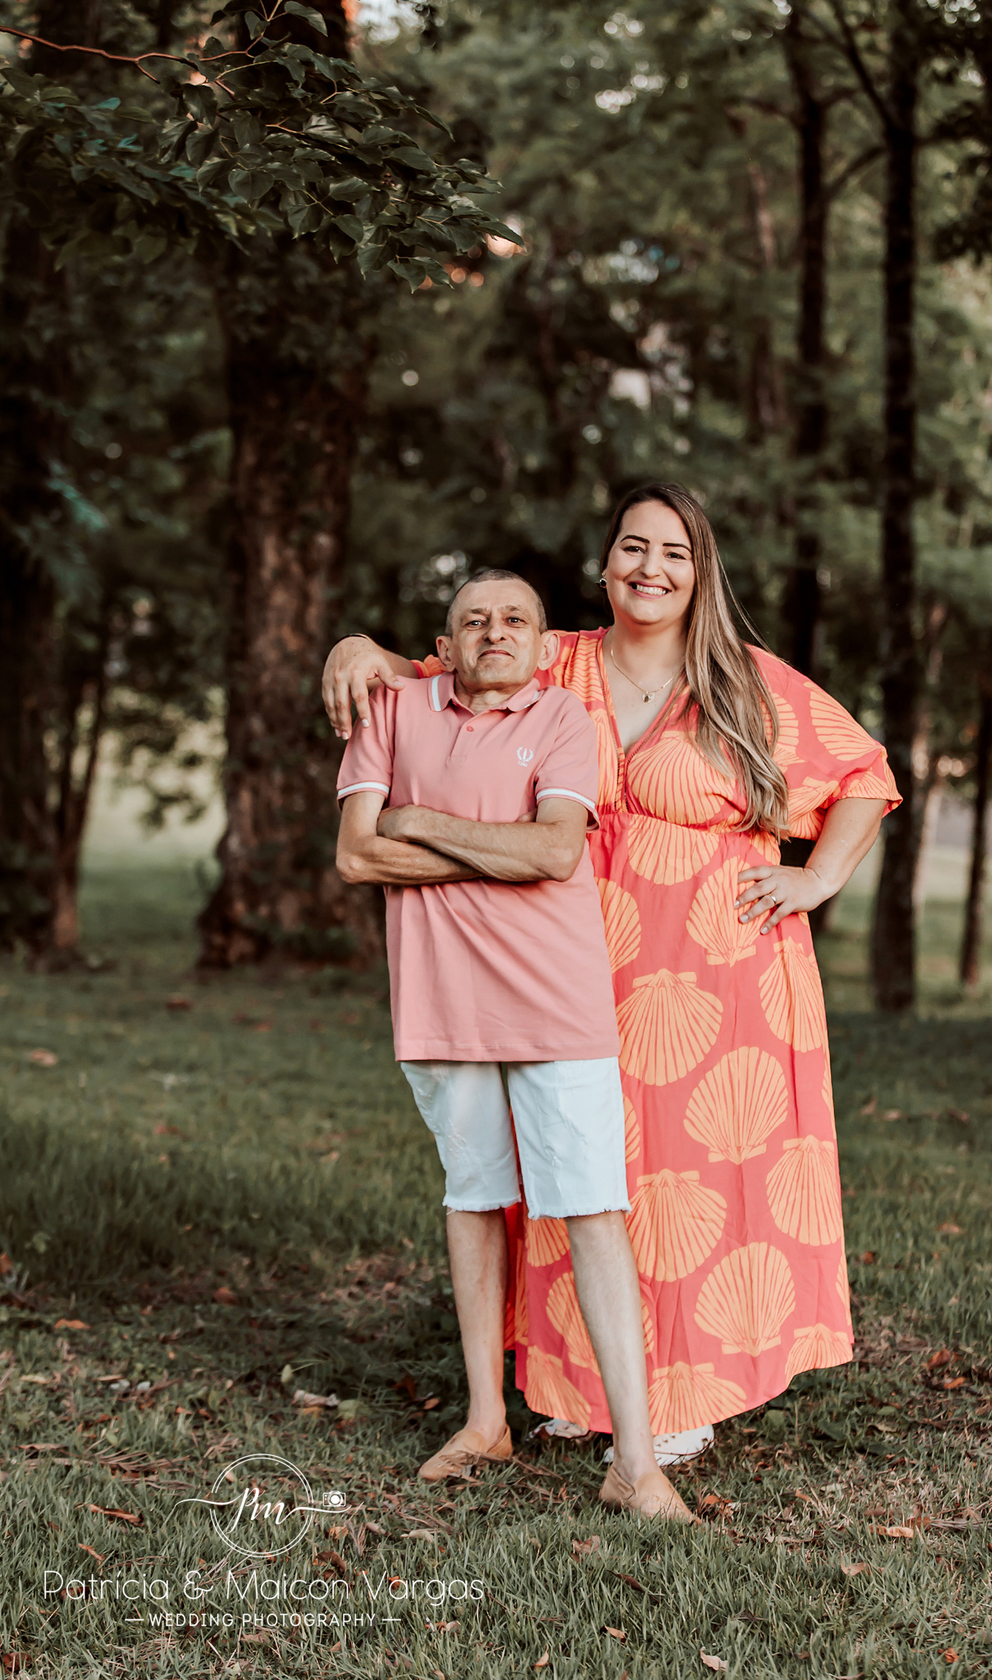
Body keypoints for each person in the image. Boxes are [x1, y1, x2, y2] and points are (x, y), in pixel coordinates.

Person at [323, 483, 899, 1466]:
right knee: (578, 1174)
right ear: (605, 564)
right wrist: (354, 648)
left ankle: (677, 1396)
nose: (650, 568)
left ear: (700, 573)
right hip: (559, 962)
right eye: (634, 546)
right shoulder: (557, 658)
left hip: (718, 973)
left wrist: (816, 878)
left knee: (680, 1183)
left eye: (674, 553)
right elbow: (434, 671)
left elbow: (862, 775)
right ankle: (577, 1383)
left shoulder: (744, 680)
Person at [333, 567, 695, 1521]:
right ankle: (486, 1419)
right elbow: (357, 853)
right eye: (473, 620)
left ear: (541, 644)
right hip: (441, 1002)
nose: (494, 632)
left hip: (555, 1002)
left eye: (515, 620)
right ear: (446, 644)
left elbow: (554, 850)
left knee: (593, 1208)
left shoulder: (565, 716)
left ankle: (636, 1462)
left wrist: (418, 820)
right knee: (473, 1197)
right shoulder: (393, 710)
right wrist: (490, 846)